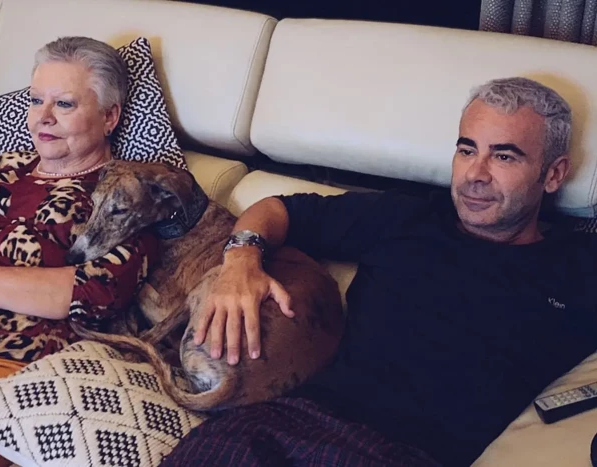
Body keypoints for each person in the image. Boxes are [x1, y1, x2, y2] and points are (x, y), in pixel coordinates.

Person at [163, 77, 597, 467]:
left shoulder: (577, 267)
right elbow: (278, 209)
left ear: (554, 174)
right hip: (285, 423)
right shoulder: (404, 217)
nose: (474, 175)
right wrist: (240, 259)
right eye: (466, 150)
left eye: (504, 156)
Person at [0, 37, 156, 465]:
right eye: (36, 100)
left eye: (65, 104)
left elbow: (94, 293)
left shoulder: (125, 192)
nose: (43, 118)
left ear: (110, 116)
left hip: (8, 365)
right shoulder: (6, 168)